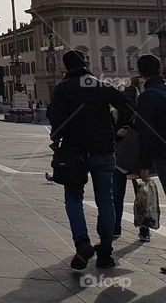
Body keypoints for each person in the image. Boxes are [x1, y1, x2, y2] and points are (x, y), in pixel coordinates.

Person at [48, 49, 132, 270]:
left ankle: (82, 243)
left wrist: (57, 136)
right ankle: (105, 253)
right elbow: (126, 105)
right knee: (106, 200)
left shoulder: (63, 88)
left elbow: (56, 119)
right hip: (104, 150)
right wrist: (120, 125)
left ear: (65, 68)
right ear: (85, 64)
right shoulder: (102, 85)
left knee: (73, 199)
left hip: (75, 152)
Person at [111, 75, 148, 241]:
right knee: (141, 195)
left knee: (117, 195)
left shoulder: (116, 113)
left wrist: (117, 135)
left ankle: (115, 227)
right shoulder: (143, 111)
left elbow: (108, 135)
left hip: (119, 158)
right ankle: (144, 230)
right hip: (139, 158)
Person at [137, 54, 166, 187]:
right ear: (161, 70)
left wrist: (145, 165)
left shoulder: (147, 97)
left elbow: (146, 132)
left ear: (140, 74)